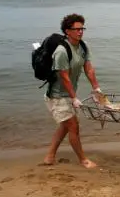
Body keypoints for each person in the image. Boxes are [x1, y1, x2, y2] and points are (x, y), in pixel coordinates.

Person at [42, 13, 102, 169]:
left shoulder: (82, 46)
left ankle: (49, 156)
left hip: (68, 94)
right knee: (73, 126)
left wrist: (96, 88)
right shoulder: (62, 51)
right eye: (77, 29)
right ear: (67, 31)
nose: (80, 32)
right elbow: (65, 77)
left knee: (65, 127)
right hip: (57, 96)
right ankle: (83, 160)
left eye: (82, 28)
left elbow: (88, 68)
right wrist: (74, 98)